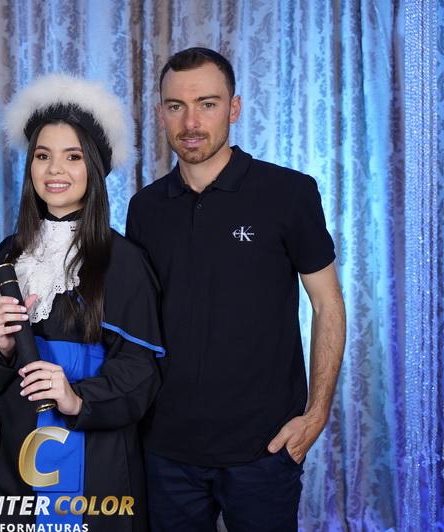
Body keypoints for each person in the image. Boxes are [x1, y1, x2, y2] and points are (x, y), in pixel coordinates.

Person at [126, 47, 346, 531]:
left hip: (264, 449)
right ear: (160, 113)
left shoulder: (289, 193)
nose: (191, 123)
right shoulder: (145, 208)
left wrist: (316, 414)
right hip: (166, 449)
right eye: (176, 106)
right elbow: (136, 322)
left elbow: (327, 303)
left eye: (207, 104)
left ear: (234, 108)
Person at [0, 74, 163, 532]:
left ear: (94, 167)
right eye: (43, 156)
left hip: (94, 459)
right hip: (13, 456)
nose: (55, 169)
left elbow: (141, 372)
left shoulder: (124, 260)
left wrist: (76, 397)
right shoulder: (7, 254)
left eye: (72, 156)